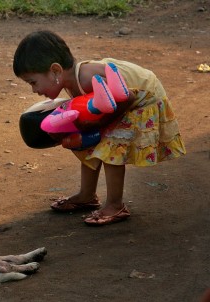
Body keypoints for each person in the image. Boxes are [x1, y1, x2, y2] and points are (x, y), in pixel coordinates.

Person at [13, 30, 186, 226]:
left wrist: (99, 124)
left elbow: (126, 97)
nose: (34, 90)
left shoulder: (87, 78)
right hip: (121, 104)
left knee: (111, 146)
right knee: (87, 143)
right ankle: (86, 195)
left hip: (142, 99)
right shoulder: (70, 83)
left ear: (55, 71)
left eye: (33, 82)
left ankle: (115, 205)